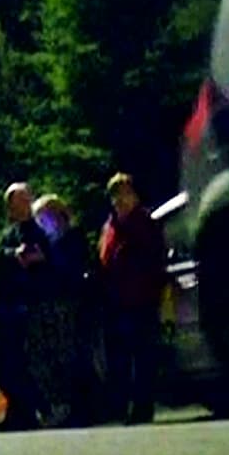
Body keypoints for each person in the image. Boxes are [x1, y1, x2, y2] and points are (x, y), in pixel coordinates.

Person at [97, 171, 169, 424]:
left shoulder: (145, 224)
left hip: (142, 300)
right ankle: (122, 406)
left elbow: (154, 260)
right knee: (120, 359)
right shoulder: (110, 227)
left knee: (143, 357)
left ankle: (142, 407)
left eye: (126, 194)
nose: (121, 200)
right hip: (116, 302)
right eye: (116, 195)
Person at [0, 182, 50, 431]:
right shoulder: (8, 236)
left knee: (26, 365)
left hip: (30, 310)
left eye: (23, 201)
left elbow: (49, 262)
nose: (19, 207)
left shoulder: (40, 232)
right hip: (6, 312)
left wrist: (35, 260)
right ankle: (16, 414)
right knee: (7, 368)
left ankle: (31, 413)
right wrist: (11, 257)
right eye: (14, 203)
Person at [26, 193, 92, 428]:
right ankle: (55, 405)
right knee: (45, 358)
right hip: (43, 302)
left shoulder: (72, 238)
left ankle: (73, 406)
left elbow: (72, 268)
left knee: (66, 355)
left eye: (48, 218)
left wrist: (47, 258)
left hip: (66, 303)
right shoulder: (39, 240)